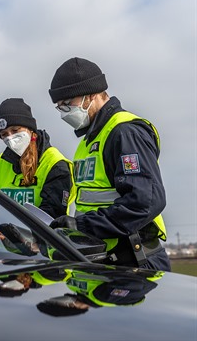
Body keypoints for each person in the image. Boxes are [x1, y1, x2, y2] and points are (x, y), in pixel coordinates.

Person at [47, 57, 170, 271]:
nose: (63, 113)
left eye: (67, 104)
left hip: (135, 260)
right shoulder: (89, 141)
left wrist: (82, 226)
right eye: (59, 107)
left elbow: (144, 202)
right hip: (105, 258)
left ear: (91, 95)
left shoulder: (124, 133)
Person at [0, 98, 75, 219]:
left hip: (39, 237)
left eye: (15, 130)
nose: (10, 138)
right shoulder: (2, 162)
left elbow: (52, 216)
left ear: (30, 129)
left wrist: (13, 231)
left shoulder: (55, 163)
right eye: (4, 134)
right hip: (1, 237)